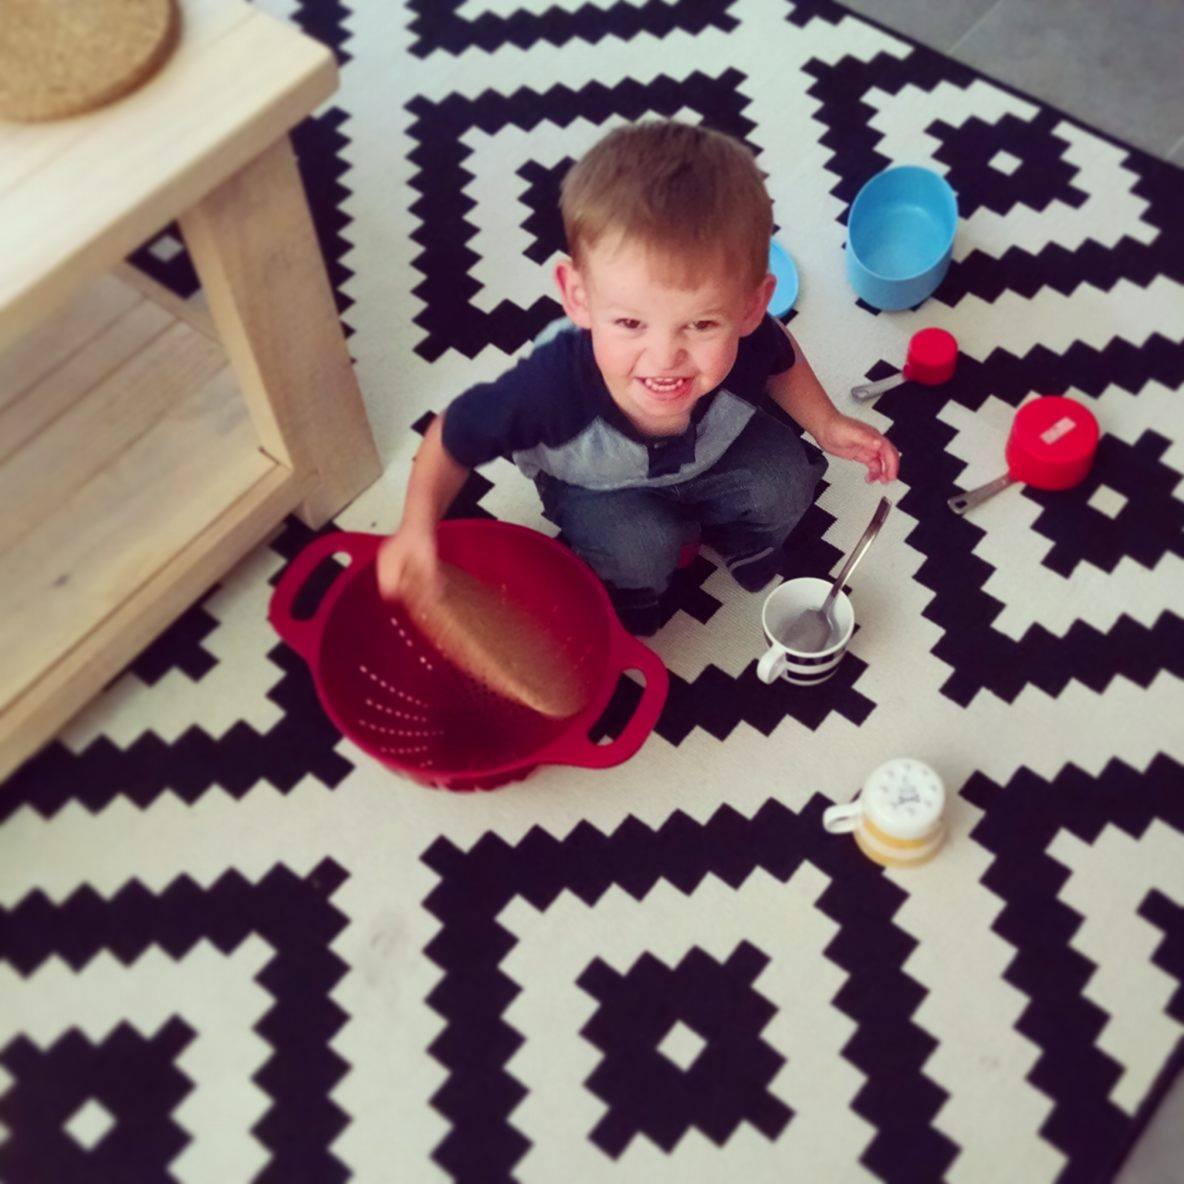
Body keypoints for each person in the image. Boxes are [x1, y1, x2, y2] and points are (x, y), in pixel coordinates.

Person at [377, 119, 899, 635]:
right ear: (578, 296)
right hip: (596, 484)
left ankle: (740, 539)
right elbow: (454, 433)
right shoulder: (552, 386)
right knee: (637, 550)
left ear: (751, 306)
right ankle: (634, 592)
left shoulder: (749, 338)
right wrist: (416, 527)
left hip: (715, 451)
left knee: (786, 479)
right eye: (630, 323)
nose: (664, 358)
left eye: (701, 324)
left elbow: (780, 355)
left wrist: (826, 423)